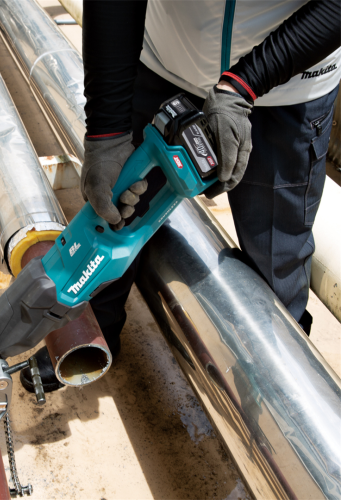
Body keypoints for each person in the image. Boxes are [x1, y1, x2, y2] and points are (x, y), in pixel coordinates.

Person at [21, 0, 341, 393]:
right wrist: (107, 132)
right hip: (168, 61)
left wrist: (244, 84)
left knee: (275, 251)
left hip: (288, 84)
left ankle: (279, 390)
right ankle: (91, 330)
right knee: (115, 210)